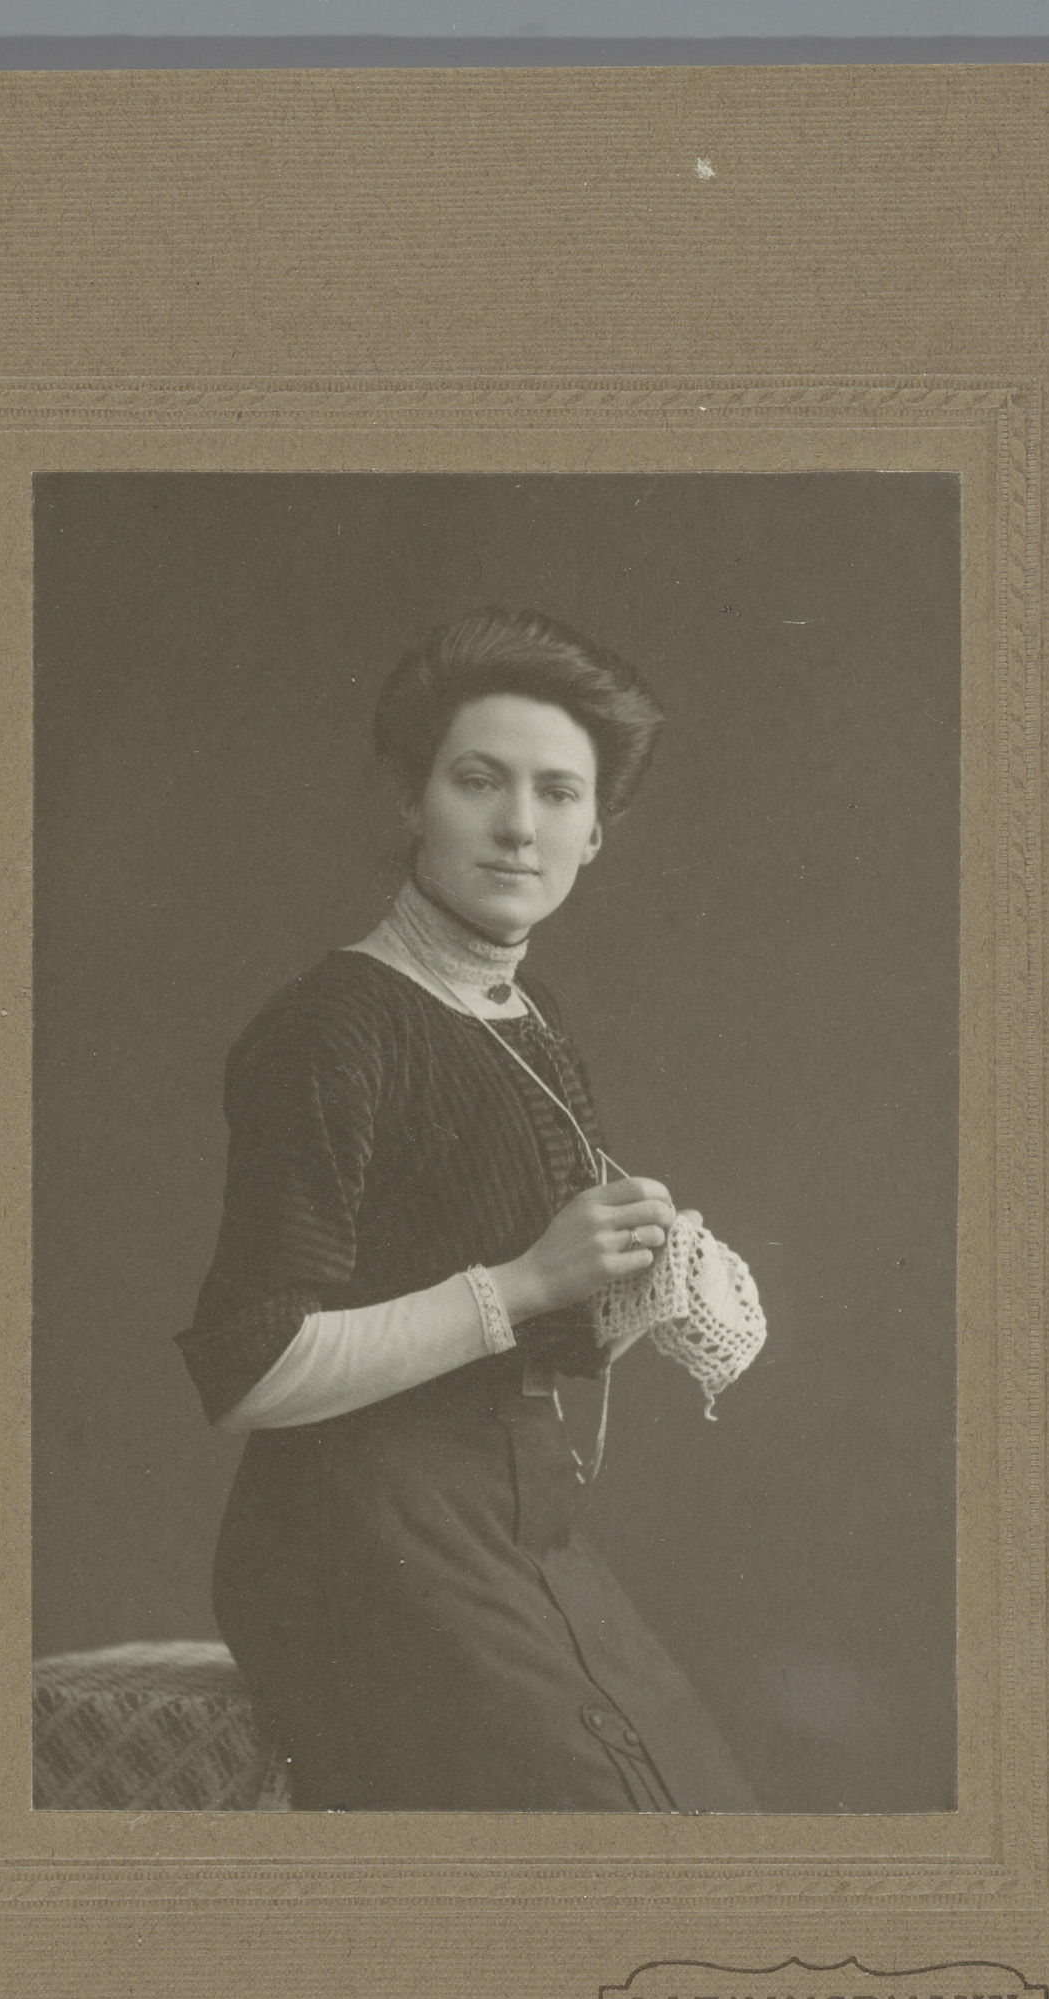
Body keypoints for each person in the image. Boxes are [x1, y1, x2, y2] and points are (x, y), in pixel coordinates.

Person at [176, 607, 759, 1811]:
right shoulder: (331, 1030)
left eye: (558, 793)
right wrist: (531, 1281)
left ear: (595, 833)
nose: (518, 825)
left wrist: (636, 1274)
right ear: (410, 801)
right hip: (350, 1546)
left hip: (513, 1520)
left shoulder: (528, 1015)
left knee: (706, 1821)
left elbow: (516, 1308)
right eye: (479, 781)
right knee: (606, 1837)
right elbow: (246, 1365)